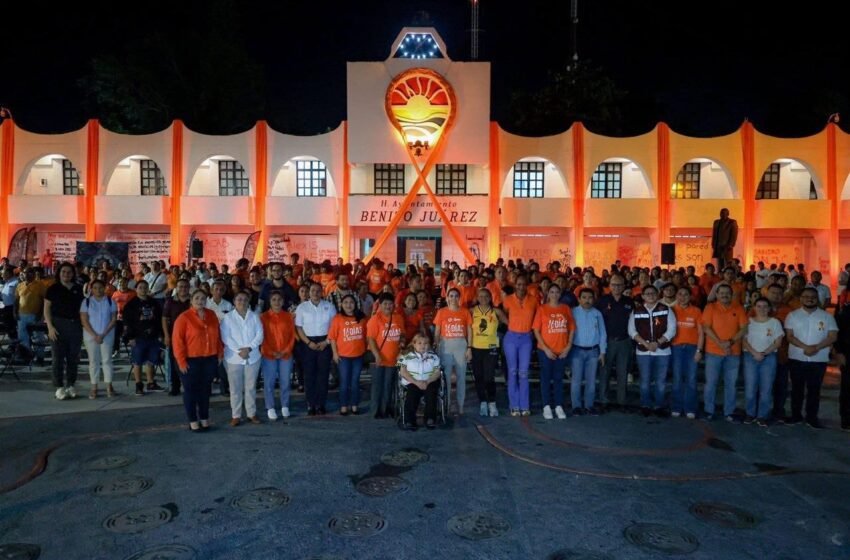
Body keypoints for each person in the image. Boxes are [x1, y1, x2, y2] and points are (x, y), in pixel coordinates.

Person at [784, 287, 838, 429]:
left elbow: (833, 336)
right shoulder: (793, 315)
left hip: (818, 359)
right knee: (797, 389)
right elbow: (789, 336)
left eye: (813, 296)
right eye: (806, 296)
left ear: (817, 299)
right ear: (801, 298)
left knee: (814, 390)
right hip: (797, 358)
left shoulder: (827, 317)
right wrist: (805, 347)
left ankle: (812, 417)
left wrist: (816, 348)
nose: (809, 299)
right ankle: (796, 416)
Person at [172, 289, 223, 432]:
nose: (200, 301)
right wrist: (181, 361)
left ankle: (204, 418)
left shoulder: (211, 315)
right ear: (191, 300)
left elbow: (218, 336)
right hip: (190, 360)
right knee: (190, 391)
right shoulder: (184, 318)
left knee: (205, 391)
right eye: (197, 298)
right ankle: (193, 420)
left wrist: (219, 353)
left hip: (209, 359)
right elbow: (177, 342)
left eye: (203, 298)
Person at [701, 284, 748, 421]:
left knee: (730, 384)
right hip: (713, 351)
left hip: (733, 352)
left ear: (732, 295)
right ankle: (708, 410)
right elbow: (706, 327)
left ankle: (729, 412)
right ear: (716, 295)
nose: (724, 295)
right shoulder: (710, 308)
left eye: (727, 293)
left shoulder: (738, 308)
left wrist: (730, 342)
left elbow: (744, 328)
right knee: (711, 383)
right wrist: (720, 343)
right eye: (721, 293)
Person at [628, 284, 676, 417]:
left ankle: (659, 405)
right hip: (643, 351)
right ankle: (645, 404)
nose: (650, 296)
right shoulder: (636, 311)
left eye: (653, 293)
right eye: (647, 294)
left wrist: (658, 342)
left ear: (658, 295)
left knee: (660, 380)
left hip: (662, 351)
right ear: (642, 296)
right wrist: (645, 343)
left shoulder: (666, 309)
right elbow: (631, 330)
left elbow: (672, 329)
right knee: (645, 380)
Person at [221, 291, 264, 426]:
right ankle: (236, 415)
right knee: (235, 388)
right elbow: (226, 337)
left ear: (249, 301)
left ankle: (251, 413)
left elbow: (260, 334)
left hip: (252, 356)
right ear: (234, 301)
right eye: (239, 299)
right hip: (234, 357)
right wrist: (239, 351)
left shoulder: (254, 317)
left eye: (245, 299)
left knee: (250, 387)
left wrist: (249, 349)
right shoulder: (227, 318)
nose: (242, 302)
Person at [533, 284, 576, 420]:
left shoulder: (565, 308)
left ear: (560, 294)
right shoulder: (542, 309)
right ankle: (546, 406)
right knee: (545, 378)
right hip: (545, 351)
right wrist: (545, 348)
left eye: (557, 292)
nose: (554, 294)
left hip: (562, 350)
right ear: (548, 294)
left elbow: (572, 328)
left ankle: (558, 405)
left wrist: (568, 346)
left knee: (558, 379)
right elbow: (536, 330)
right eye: (552, 292)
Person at [44, 263, 85, 400]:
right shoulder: (53, 289)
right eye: (63, 272)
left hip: (75, 326)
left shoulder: (79, 289)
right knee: (58, 358)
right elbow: (46, 309)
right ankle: (59, 387)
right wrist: (50, 327)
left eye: (69, 272)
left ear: (73, 274)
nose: (66, 274)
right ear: (59, 273)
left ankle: (71, 385)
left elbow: (83, 309)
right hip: (57, 326)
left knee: (73, 358)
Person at [295, 282, 337, 415]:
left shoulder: (329, 306)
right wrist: (308, 342)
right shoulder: (302, 307)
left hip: (325, 342)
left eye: (318, 290)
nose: (315, 293)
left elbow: (334, 328)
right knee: (309, 375)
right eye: (312, 290)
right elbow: (299, 328)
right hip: (308, 343)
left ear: (322, 292)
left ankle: (321, 404)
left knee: (323, 375)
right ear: (309, 292)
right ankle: (310, 404)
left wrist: (326, 342)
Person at [742, 297, 784, 426]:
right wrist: (755, 353)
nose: (762, 309)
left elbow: (778, 342)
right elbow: (743, 340)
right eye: (759, 306)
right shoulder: (748, 322)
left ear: (769, 308)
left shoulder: (775, 322)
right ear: (754, 307)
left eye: (765, 306)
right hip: (750, 357)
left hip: (768, 358)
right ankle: (750, 413)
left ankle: (762, 416)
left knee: (766, 389)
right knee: (750, 388)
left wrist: (764, 353)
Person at [501, 275, 538, 416]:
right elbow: (502, 313)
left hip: (526, 339)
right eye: (519, 284)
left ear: (527, 286)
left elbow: (537, 317)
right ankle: (514, 405)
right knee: (512, 371)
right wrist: (509, 323)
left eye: (523, 284)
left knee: (523, 372)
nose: (521, 287)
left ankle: (525, 405)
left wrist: (532, 332)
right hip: (511, 338)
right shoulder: (508, 300)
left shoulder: (533, 300)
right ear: (515, 285)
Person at [595, 274, 634, 408]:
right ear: (609, 286)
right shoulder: (602, 301)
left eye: (619, 285)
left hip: (624, 341)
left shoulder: (629, 302)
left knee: (622, 372)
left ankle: (621, 401)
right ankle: (604, 400)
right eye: (614, 284)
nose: (616, 287)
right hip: (607, 342)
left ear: (624, 286)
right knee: (604, 371)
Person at [433, 288, 472, 416]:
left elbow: (469, 330)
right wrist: (436, 344)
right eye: (451, 296)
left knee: (461, 377)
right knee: (446, 378)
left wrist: (469, 348)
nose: (453, 298)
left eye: (456, 296)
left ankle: (460, 405)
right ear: (447, 298)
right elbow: (437, 331)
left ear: (459, 298)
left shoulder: (465, 312)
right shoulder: (442, 312)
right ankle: (447, 404)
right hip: (446, 345)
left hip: (461, 344)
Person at [122, 280, 165, 396]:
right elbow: (126, 322)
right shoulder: (131, 305)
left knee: (151, 360)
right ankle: (138, 384)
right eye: (140, 287)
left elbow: (159, 319)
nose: (143, 289)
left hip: (153, 336)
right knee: (138, 361)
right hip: (137, 337)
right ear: (136, 289)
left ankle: (150, 383)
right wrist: (130, 337)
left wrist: (161, 334)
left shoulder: (154, 303)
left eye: (145, 287)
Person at [469, 288, 507, 417]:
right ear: (477, 298)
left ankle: (492, 403)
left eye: (486, 296)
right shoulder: (472, 311)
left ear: (490, 298)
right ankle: (482, 402)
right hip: (475, 347)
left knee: (489, 377)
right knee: (478, 376)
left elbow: (510, 325)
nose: (483, 298)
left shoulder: (496, 312)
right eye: (480, 296)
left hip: (491, 348)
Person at [366, 293, 405, 419]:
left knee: (389, 385)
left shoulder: (398, 318)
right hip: (379, 358)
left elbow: (402, 334)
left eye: (390, 303)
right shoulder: (375, 319)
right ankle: (376, 411)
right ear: (380, 305)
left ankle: (387, 409)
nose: (388, 306)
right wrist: (377, 355)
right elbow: (371, 339)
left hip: (394, 358)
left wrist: (402, 344)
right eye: (385, 304)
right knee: (378, 385)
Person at [328, 294, 367, 416]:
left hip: (358, 356)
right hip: (343, 356)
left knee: (355, 382)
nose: (348, 305)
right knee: (344, 382)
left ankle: (354, 405)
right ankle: (344, 405)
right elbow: (332, 338)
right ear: (341, 305)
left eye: (351, 302)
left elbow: (367, 336)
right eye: (345, 302)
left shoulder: (362, 318)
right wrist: (335, 353)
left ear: (355, 304)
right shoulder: (337, 318)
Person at [260, 291, 296, 420]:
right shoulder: (263, 317)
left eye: (279, 299)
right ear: (270, 301)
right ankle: (270, 407)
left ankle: (285, 405)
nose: (276, 302)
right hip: (269, 355)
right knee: (269, 383)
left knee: (285, 381)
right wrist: (270, 352)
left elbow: (293, 336)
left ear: (283, 301)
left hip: (285, 354)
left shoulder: (288, 317)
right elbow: (261, 337)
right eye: (274, 299)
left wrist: (285, 351)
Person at [570, 288, 607, 415]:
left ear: (594, 299)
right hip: (577, 350)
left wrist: (602, 352)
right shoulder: (573, 312)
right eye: (584, 297)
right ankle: (576, 406)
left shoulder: (597, 314)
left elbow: (603, 333)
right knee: (576, 380)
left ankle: (589, 405)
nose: (587, 300)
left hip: (593, 351)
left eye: (590, 297)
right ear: (579, 299)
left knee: (591, 381)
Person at [80, 279, 118, 399]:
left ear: (105, 288)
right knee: (93, 361)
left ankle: (109, 386)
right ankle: (94, 387)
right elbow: (84, 320)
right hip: (90, 336)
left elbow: (113, 319)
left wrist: (103, 334)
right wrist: (95, 335)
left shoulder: (110, 301)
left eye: (100, 287)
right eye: (95, 288)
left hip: (107, 335)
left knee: (107, 360)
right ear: (91, 289)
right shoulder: (86, 302)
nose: (98, 290)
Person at [670, 287, 703, 419]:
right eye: (680, 294)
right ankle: (677, 407)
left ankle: (690, 408)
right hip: (676, 348)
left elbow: (701, 333)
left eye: (685, 294)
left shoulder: (696, 311)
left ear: (690, 296)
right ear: (676, 296)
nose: (682, 296)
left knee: (691, 379)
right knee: (677, 379)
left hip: (692, 348)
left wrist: (699, 350)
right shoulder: (671, 310)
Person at [398, 333, 442, 430]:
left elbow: (437, 372)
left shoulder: (433, 356)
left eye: (425, 343)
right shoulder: (406, 356)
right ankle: (410, 421)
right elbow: (403, 372)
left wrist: (427, 381)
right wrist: (416, 382)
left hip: (429, 381)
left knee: (431, 392)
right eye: (420, 343)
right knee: (411, 394)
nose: (423, 345)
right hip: (413, 382)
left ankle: (430, 419)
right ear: (414, 344)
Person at [162, 278, 191, 396]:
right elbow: (164, 319)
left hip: (190, 337)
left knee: (190, 361)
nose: (183, 289)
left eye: (185, 286)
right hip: (174, 337)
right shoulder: (170, 301)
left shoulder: (192, 301)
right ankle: (175, 386)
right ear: (176, 288)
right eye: (180, 286)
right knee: (174, 362)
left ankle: (189, 385)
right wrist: (166, 335)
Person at [14, 268, 47, 364]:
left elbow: (44, 301)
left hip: (35, 315)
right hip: (21, 315)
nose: (27, 274)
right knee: (22, 337)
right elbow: (16, 300)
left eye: (30, 272)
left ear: (34, 274)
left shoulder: (40, 285)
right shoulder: (20, 285)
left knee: (38, 337)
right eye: (25, 273)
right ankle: (26, 356)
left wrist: (40, 314)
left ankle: (40, 357)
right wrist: (15, 313)